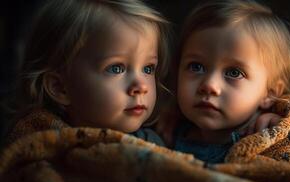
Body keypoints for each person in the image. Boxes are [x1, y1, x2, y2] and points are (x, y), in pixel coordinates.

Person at [4, 0, 170, 146]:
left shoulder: (154, 145)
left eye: (148, 68)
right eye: (116, 68)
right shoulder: (37, 148)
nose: (141, 86)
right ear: (60, 88)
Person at [160, 0, 290, 163]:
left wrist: (280, 132)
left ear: (270, 93)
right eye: (196, 66)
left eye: (234, 72)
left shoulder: (264, 139)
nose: (209, 85)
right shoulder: (168, 130)